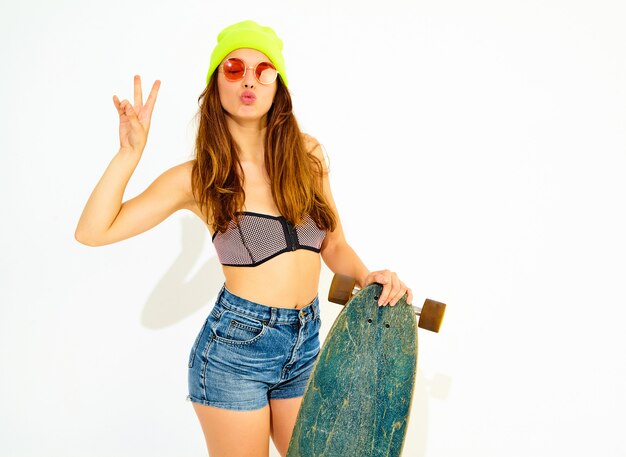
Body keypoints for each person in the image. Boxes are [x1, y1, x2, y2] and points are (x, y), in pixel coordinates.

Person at [75, 19, 413, 457]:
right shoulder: (200, 177)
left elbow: (333, 244)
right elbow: (93, 231)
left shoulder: (307, 156)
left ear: (279, 86)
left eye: (263, 70)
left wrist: (368, 276)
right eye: (234, 69)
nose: (249, 80)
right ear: (216, 84)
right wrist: (129, 154)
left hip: (306, 342)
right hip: (235, 352)